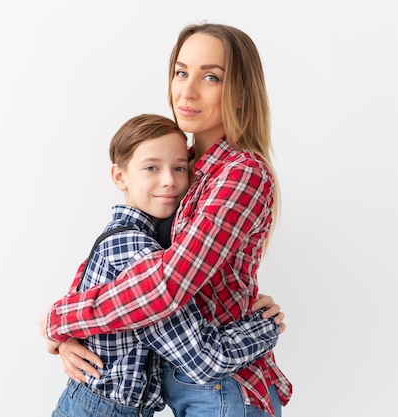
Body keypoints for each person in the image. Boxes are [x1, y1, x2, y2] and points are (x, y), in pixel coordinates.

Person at [42, 23, 292, 416]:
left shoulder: (240, 172)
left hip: (221, 387)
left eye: (210, 77)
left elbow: (165, 287)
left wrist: (63, 317)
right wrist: (72, 336)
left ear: (241, 91)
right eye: (181, 72)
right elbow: (119, 245)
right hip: (177, 381)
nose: (187, 91)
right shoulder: (180, 166)